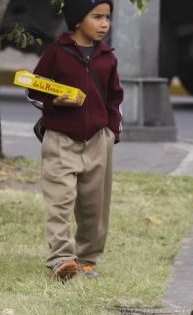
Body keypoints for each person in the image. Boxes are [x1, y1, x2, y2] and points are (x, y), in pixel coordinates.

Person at [27, 0, 123, 281]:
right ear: (78, 19)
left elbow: (115, 100)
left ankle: (87, 257)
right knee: (59, 199)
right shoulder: (56, 53)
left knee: (95, 204)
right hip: (60, 139)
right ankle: (61, 258)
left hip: (98, 140)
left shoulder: (108, 58)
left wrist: (112, 132)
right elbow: (35, 89)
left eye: (108, 18)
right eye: (97, 17)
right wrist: (54, 102)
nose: (105, 24)